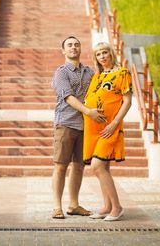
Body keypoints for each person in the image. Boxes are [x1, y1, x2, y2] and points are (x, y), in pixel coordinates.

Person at [52, 36, 106, 219]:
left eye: (76, 45)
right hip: (66, 123)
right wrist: (88, 111)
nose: (73, 47)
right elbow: (68, 97)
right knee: (60, 166)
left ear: (81, 49)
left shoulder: (89, 72)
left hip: (86, 127)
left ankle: (74, 205)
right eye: (69, 45)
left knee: (78, 166)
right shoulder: (61, 73)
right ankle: (57, 206)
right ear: (63, 51)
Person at [83, 42, 132, 221]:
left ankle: (117, 207)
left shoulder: (122, 73)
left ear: (111, 54)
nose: (102, 56)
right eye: (98, 54)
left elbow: (127, 101)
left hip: (110, 127)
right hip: (92, 128)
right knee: (103, 167)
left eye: (105, 53)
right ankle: (107, 206)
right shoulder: (97, 76)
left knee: (96, 167)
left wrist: (114, 123)